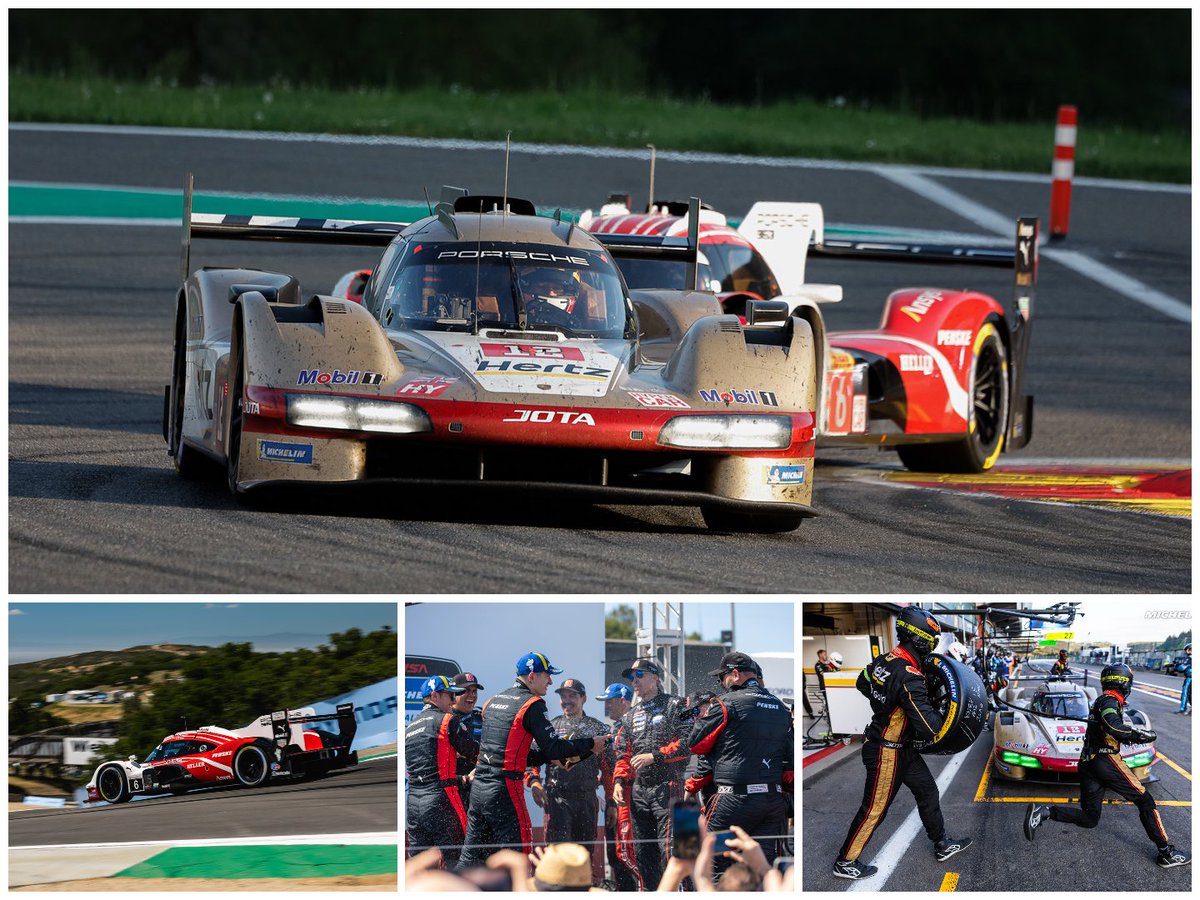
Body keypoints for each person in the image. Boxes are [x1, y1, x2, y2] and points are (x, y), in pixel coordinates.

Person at [833, 607, 972, 880]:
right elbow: (931, 726)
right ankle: (845, 862)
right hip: (887, 751)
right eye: (931, 638)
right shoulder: (910, 674)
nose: (933, 643)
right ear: (919, 638)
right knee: (874, 809)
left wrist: (885, 703)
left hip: (901, 748)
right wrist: (936, 702)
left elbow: (863, 682)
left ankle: (942, 843)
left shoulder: (884, 659)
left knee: (928, 791)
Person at [1024, 663, 1190, 868]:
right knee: (1145, 801)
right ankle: (1166, 853)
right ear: (1123, 682)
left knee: (1089, 818)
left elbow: (1108, 723)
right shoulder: (1110, 701)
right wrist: (1139, 735)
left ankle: (1045, 812)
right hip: (1105, 760)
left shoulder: (1102, 700)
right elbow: (1112, 724)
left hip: (1088, 763)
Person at [455, 651, 607, 871]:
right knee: (519, 860)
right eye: (548, 676)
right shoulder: (533, 704)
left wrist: (549, 759)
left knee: (471, 858)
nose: (551, 681)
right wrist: (590, 744)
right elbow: (554, 747)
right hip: (505, 790)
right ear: (532, 676)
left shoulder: (492, 701)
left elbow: (514, 753)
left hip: (480, 790)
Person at [688, 651, 794, 881]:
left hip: (733, 800)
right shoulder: (781, 708)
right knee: (763, 870)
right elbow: (790, 763)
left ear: (735, 675)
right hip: (772, 802)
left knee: (714, 866)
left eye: (722, 677)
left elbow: (696, 744)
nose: (720, 683)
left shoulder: (725, 704)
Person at [612, 658, 690, 890]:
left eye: (639, 675)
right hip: (639, 791)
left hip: (670, 785)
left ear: (655, 678)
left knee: (672, 850)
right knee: (643, 853)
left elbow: (689, 741)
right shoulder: (629, 716)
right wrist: (618, 782)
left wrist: (655, 755)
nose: (634, 681)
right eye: (631, 677)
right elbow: (622, 754)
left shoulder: (676, 705)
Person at [524, 678, 611, 854]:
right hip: (557, 800)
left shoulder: (598, 729)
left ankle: (584, 882)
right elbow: (531, 759)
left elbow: (609, 768)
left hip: (587, 800)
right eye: (563, 696)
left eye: (572, 696)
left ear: (583, 698)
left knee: (584, 855)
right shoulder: (551, 727)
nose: (567, 700)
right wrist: (534, 782)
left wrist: (612, 802)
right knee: (558, 855)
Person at [405, 675, 478, 869]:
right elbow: (473, 751)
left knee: (419, 867)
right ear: (435, 696)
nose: (453, 701)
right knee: (460, 861)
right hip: (441, 801)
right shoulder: (447, 720)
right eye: (450, 696)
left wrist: (462, 779)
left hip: (413, 805)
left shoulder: (410, 728)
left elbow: (425, 773)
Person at [595, 682, 639, 892]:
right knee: (615, 854)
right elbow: (607, 769)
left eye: (610, 702)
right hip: (615, 798)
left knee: (626, 852)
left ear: (623, 701)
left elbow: (629, 766)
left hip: (629, 797)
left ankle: (640, 890)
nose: (607, 707)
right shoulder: (614, 728)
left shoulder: (634, 726)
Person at [450, 672, 485, 807]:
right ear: (454, 693)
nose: (472, 695)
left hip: (479, 790)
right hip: (454, 789)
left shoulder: (481, 716)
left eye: (474, 691)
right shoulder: (444, 720)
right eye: (466, 691)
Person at [1176, 644, 1192, 715]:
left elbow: (1181, 668)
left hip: (1190, 679)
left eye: (1187, 650)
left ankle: (1183, 709)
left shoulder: (1189, 659)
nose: (1186, 652)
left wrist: (1177, 666)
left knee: (1185, 694)